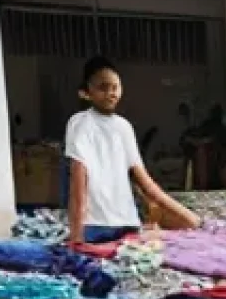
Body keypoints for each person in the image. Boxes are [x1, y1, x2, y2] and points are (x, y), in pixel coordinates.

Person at [66, 56, 199, 244]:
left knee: (178, 230)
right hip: (95, 225)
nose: (111, 93)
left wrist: (189, 218)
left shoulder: (123, 127)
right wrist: (77, 236)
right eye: (103, 88)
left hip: (126, 224)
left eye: (115, 87)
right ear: (86, 92)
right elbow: (79, 181)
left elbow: (145, 183)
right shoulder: (80, 123)